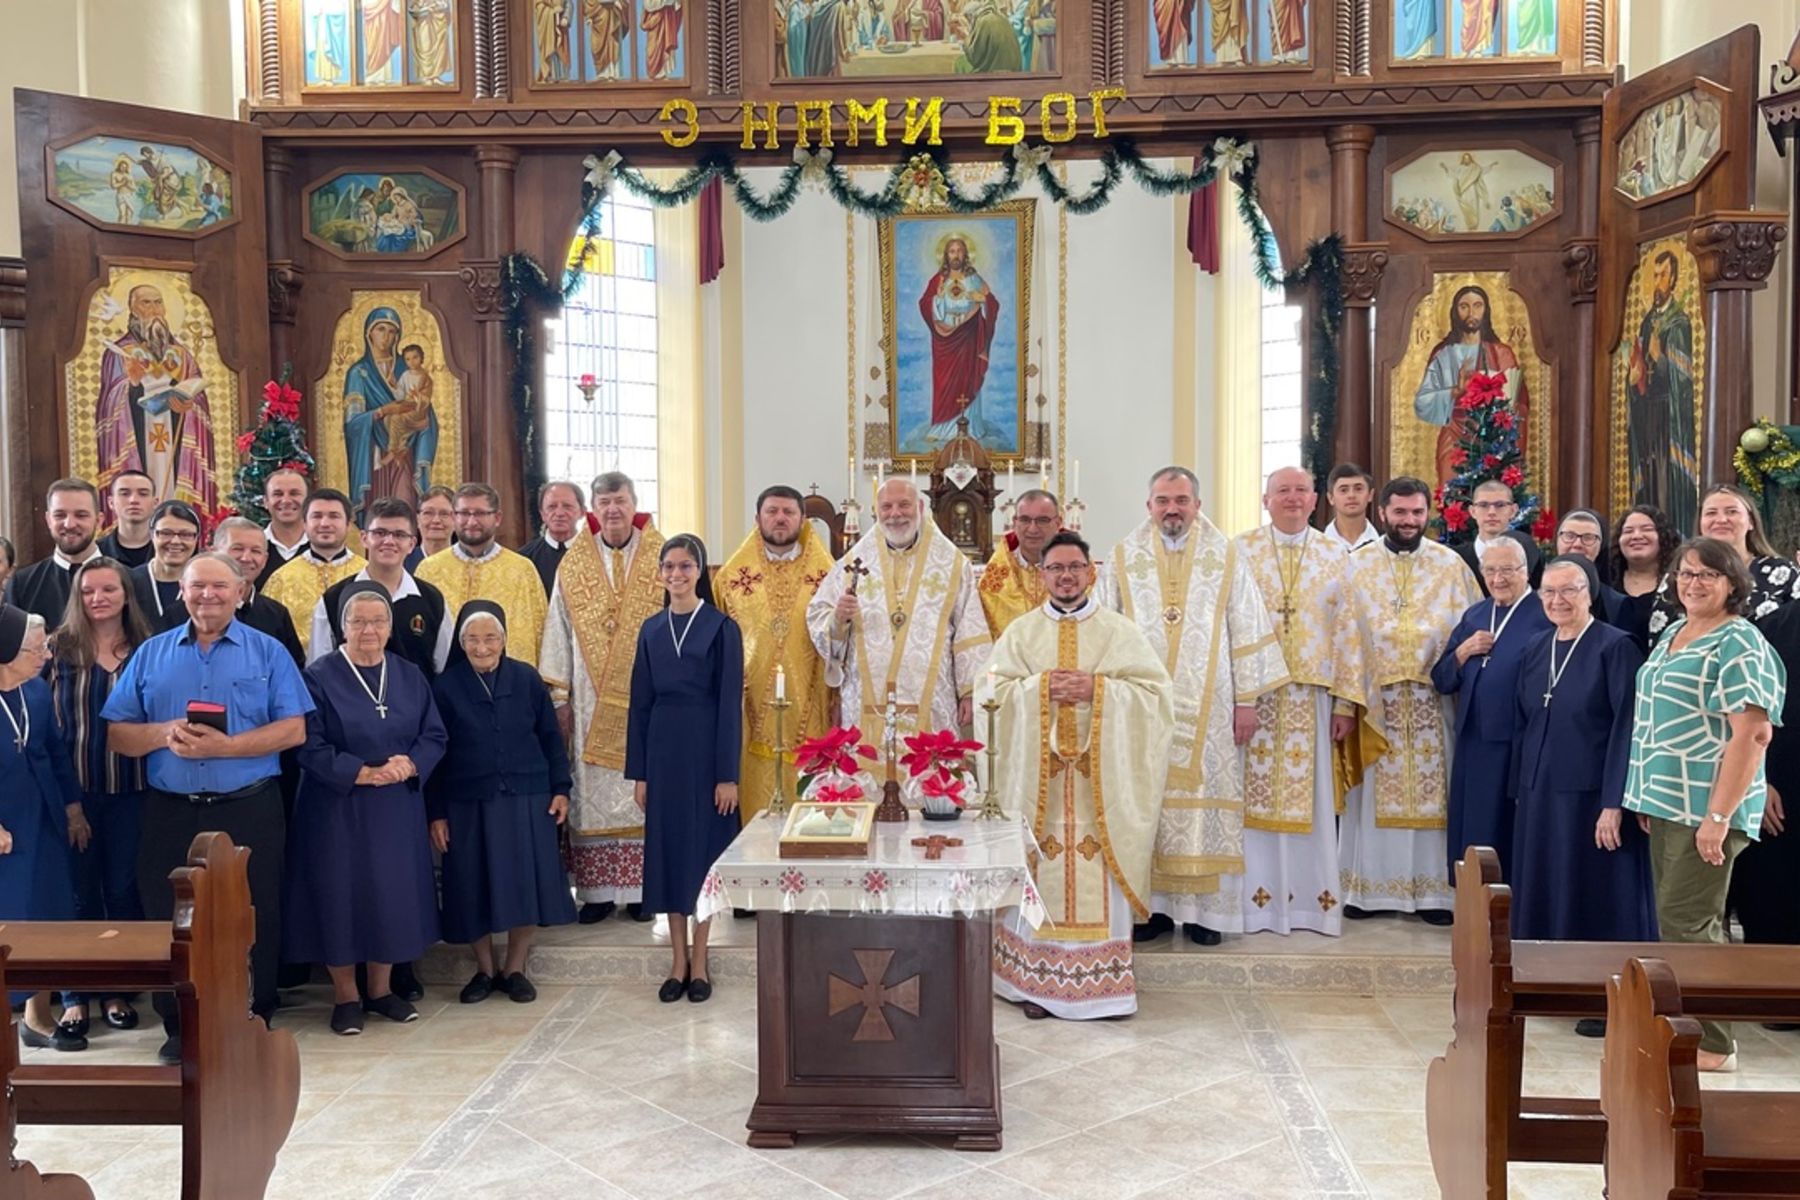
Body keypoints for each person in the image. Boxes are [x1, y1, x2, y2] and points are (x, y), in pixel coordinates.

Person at [102, 553, 311, 1061]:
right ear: (182, 592)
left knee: (254, 911)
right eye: (197, 587)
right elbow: (118, 734)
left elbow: (293, 729)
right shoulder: (151, 654)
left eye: (219, 586)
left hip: (248, 806)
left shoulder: (269, 653)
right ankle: (179, 1026)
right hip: (171, 809)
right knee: (170, 917)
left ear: (240, 591)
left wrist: (226, 747)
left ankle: (253, 1016)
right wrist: (162, 733)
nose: (207, 596)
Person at [1098, 466, 1287, 945]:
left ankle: (1207, 915)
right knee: (1146, 802)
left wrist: (1247, 700)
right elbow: (1105, 628)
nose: (1172, 509)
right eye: (1163, 500)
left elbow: (1245, 627)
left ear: (1197, 505)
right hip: (1141, 703)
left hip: (1215, 702)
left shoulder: (1226, 555)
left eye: (1181, 500)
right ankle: (1152, 910)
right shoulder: (1125, 555)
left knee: (1206, 799)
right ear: (1149, 506)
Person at [991, 531, 1173, 1018]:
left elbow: (1157, 697)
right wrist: (1039, 689)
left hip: (1100, 789)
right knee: (1042, 869)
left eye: (1075, 567)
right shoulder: (1022, 633)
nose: (1066, 576)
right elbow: (991, 695)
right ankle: (1036, 986)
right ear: (1042, 575)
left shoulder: (1120, 631)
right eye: (1056, 568)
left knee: (1096, 871)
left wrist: (1100, 691)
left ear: (1091, 572)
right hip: (1040, 789)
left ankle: (1104, 991)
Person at [1624, 537, 1786, 1072]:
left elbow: (1752, 735)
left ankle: (1715, 1044)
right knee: (1680, 922)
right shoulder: (1674, 631)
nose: (1694, 583)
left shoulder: (1739, 642)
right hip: (1668, 801)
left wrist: (1718, 817)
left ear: (1733, 584)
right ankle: (1695, 1029)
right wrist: (1647, 793)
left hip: (1706, 808)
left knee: (1690, 923)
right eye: (1686, 574)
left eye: (1708, 576)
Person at [285, 586, 446, 1036]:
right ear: (343, 626)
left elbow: (433, 734)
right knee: (341, 898)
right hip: (336, 807)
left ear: (390, 627)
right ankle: (345, 997)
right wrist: (359, 772)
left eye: (378, 621)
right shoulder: (317, 676)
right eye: (359, 622)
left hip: (395, 806)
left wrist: (409, 764)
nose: (369, 630)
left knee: (389, 897)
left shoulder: (410, 674)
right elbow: (307, 741)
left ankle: (380, 990)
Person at [1510, 556, 1654, 1036]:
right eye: (1548, 592)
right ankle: (1549, 984)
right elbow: (1527, 719)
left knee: (1597, 895)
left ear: (1589, 592)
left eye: (1569, 590)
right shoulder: (1536, 647)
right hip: (1540, 791)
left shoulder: (1616, 648)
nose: (1557, 601)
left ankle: (1605, 996)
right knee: (1547, 885)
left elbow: (1627, 728)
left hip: (1593, 798)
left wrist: (1615, 802)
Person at [1340, 477, 1481, 923]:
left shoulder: (1450, 564)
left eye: (1417, 513)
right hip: (1376, 701)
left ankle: (1435, 895)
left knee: (1435, 796)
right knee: (1372, 795)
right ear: (1382, 512)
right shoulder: (1356, 566)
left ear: (1428, 513)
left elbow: (1475, 625)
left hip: (1433, 699)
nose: (1409, 521)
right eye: (1400, 513)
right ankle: (1368, 891)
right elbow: (1341, 633)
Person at [1231, 468, 1362, 937]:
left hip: (1313, 696)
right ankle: (1251, 905)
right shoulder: (1239, 550)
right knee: (1248, 800)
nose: (1291, 498)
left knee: (1311, 802)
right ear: (1265, 499)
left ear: (1314, 501)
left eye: (1300, 491)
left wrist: (1346, 703)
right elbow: (1227, 622)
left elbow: (1350, 628)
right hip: (1254, 695)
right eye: (1282, 491)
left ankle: (1310, 905)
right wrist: (1235, 691)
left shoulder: (1335, 555)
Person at [430, 602, 574, 1004]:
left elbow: (550, 738)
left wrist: (561, 788)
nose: (482, 647)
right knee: (471, 884)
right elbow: (435, 755)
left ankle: (515, 968)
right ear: (461, 643)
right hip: (467, 803)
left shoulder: (527, 679)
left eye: (490, 638)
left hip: (527, 798)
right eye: (473, 639)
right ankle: (484, 969)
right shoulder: (446, 687)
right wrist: (437, 813)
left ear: (505, 640)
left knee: (523, 885)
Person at [807, 478, 990, 789]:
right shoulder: (853, 562)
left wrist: (970, 690)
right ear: (877, 513)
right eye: (886, 507)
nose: (895, 514)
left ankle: (934, 835)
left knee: (931, 785)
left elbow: (970, 627)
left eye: (904, 505)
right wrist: (838, 619)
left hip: (932, 696)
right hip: (866, 695)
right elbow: (817, 617)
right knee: (866, 786)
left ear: (919, 508)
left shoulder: (950, 562)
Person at [541, 472, 665, 921]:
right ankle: (595, 893)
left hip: (648, 700)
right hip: (588, 702)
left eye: (621, 500)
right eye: (605, 501)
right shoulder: (574, 564)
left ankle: (638, 893)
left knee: (642, 790)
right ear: (592, 508)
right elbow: (558, 628)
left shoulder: (660, 556)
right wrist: (558, 695)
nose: (613, 509)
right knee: (591, 792)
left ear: (635, 503)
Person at [627, 536, 743, 1004]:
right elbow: (640, 703)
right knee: (669, 854)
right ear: (660, 574)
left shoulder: (721, 627)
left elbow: (730, 704)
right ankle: (676, 961)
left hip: (705, 747)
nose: (676, 574)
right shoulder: (651, 629)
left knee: (701, 856)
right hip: (662, 751)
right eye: (669, 567)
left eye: (686, 566)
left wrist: (726, 775)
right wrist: (641, 773)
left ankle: (701, 959)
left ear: (699, 572)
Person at [48, 559, 154, 1038]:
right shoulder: (58, 649)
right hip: (75, 792)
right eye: (88, 591)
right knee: (78, 893)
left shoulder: (147, 651)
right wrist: (70, 804)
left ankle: (116, 989)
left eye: (108, 589)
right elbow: (47, 732)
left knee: (122, 890)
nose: (98, 599)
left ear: (126, 594)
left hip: (132, 789)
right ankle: (74, 997)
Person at [714, 485, 835, 824]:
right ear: (757, 519)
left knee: (810, 816)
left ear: (802, 519)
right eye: (772, 512)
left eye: (788, 512)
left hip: (812, 705)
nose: (780, 518)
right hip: (748, 712)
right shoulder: (730, 579)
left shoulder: (829, 577)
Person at [1431, 538, 1549, 880]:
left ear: (1525, 572)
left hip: (1516, 743)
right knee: (1473, 827)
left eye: (1508, 570)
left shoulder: (1543, 614)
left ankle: (1505, 908)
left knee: (1505, 829)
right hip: (1472, 741)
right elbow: (1441, 678)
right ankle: (1473, 901)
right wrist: (1462, 652)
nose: (1499, 578)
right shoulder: (1476, 614)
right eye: (1491, 570)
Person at [0, 607, 82, 1051]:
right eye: (37, 648)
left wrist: (73, 810)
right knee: (9, 919)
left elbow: (55, 752)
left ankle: (38, 1015)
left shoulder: (33, 690)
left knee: (48, 915)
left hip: (42, 818)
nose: (47, 656)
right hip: (4, 826)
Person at [311, 498, 451, 679]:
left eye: (400, 534)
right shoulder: (334, 599)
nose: (389, 541)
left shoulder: (432, 600)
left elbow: (444, 668)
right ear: (364, 538)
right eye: (380, 533)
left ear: (412, 544)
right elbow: (319, 669)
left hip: (415, 705)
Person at [1734, 594, 1800, 973]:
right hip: (1781, 773)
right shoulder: (1772, 627)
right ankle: (1776, 986)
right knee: (1774, 884)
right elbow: (1754, 713)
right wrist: (1762, 780)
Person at [416, 483, 547, 668]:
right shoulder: (429, 570)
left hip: (508, 682)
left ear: (497, 517)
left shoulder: (522, 570)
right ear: (454, 516)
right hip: (445, 683)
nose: (471, 522)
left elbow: (543, 632)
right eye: (464, 513)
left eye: (479, 513)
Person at [263, 489, 367, 656]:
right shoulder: (281, 579)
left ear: (348, 524)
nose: (325, 524)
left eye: (334, 516)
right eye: (317, 516)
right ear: (304, 523)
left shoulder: (366, 574)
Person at [1696, 484, 1800, 622]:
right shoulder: (1683, 572)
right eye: (1711, 513)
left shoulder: (1782, 571)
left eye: (1731, 511)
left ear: (1751, 522)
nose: (1721, 520)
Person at [5, 479, 102, 627]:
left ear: (99, 520)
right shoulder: (22, 585)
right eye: (60, 515)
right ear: (48, 520)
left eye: (81, 515)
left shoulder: (127, 579)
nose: (69, 524)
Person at [211, 517, 305, 668]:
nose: (246, 558)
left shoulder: (276, 615)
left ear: (265, 559)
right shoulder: (189, 610)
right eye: (237, 549)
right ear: (215, 552)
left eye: (255, 551)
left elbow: (292, 672)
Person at [978, 490, 1063, 638]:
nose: (1033, 529)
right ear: (1014, 523)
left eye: (1042, 520)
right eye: (1025, 520)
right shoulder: (993, 583)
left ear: (1058, 523)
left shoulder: (1080, 575)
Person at [1607, 505, 1682, 651]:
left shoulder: (1680, 582)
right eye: (1628, 531)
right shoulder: (1605, 581)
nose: (1636, 536)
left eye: (1647, 529)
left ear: (1663, 536)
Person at [1452, 480, 1543, 594]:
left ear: (1513, 510)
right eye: (1483, 505)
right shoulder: (1457, 559)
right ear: (1472, 511)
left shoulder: (1527, 554)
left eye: (1500, 505)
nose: (1491, 512)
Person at [130, 500, 202, 631]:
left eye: (185, 534)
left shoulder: (205, 585)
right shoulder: (129, 581)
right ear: (152, 535)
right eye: (166, 533)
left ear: (196, 539)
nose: (175, 541)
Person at [519, 481, 586, 596]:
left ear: (582, 512)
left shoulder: (598, 555)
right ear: (542, 514)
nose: (559, 513)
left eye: (567, 506)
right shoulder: (524, 559)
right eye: (552, 507)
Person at [257, 468, 312, 589]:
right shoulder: (253, 550)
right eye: (278, 494)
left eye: (294, 493)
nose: (286, 500)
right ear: (266, 502)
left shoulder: (321, 548)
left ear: (308, 501)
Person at [97, 469, 155, 568]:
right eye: (125, 494)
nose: (134, 500)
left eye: (143, 494)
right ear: (111, 503)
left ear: (155, 503)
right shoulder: (96, 552)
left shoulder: (169, 550)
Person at [1324, 463, 1380, 553]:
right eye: (1343, 490)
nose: (1351, 495)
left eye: (1358, 489)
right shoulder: (1315, 545)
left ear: (1370, 495)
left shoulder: (1384, 545)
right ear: (1331, 498)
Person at [415, 485, 456, 565]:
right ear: (418, 520)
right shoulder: (401, 564)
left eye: (444, 514)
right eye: (428, 513)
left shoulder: (469, 566)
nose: (436, 520)